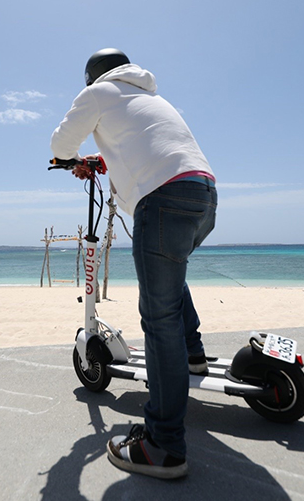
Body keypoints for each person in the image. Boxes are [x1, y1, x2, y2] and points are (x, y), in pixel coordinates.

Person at [50, 47, 217, 479]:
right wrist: (99, 162)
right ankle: (194, 352)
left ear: (92, 77)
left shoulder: (99, 93)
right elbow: (145, 147)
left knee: (157, 319)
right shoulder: (149, 97)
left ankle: (164, 446)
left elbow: (61, 141)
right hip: (202, 194)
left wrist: (69, 159)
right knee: (171, 279)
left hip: (162, 199)